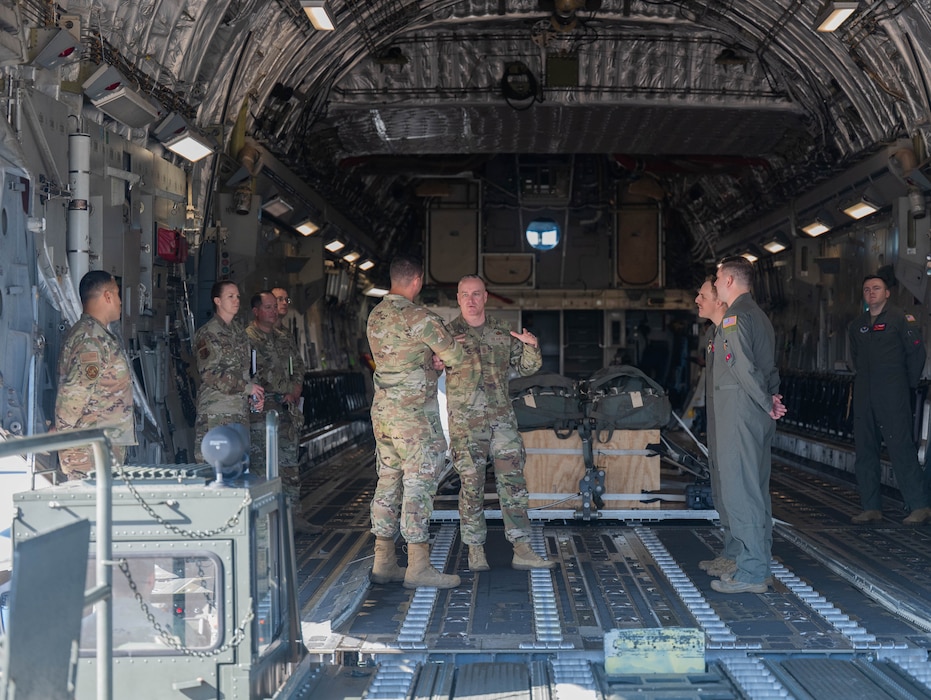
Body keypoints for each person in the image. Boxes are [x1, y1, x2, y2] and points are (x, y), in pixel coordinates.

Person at [441, 275, 556, 572]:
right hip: (466, 424)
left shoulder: (502, 332)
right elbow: (428, 370)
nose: (471, 300)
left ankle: (521, 547)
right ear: (457, 298)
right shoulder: (446, 334)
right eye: (465, 294)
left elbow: (527, 367)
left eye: (476, 294)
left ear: (485, 297)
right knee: (471, 487)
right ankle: (475, 550)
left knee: (513, 484)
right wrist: (435, 361)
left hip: (501, 420)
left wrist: (532, 346)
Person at [367, 254, 466, 589]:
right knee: (418, 486)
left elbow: (400, 358)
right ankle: (418, 567)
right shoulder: (419, 316)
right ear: (417, 280)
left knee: (387, 483)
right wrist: (440, 359)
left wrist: (428, 362)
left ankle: (383, 562)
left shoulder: (376, 316)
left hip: (383, 414)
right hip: (413, 419)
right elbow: (455, 355)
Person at [709, 256, 786, 594]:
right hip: (754, 412)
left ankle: (753, 571)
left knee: (741, 492)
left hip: (741, 411)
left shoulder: (735, 317)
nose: (713, 284)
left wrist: (766, 400)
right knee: (755, 490)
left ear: (728, 280)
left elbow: (742, 366)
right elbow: (767, 368)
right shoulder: (759, 315)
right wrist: (770, 397)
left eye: (716, 277)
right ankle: (753, 563)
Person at [847, 274, 929, 524]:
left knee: (900, 447)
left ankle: (920, 505)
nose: (871, 292)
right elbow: (855, 357)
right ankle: (871, 507)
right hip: (864, 394)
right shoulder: (857, 325)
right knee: (865, 449)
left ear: (887, 293)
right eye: (867, 289)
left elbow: (917, 352)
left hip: (893, 393)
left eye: (877, 288)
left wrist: (906, 385)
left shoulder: (900, 319)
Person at [246, 290, 319, 535]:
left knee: (289, 466)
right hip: (261, 412)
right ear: (256, 311)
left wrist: (296, 387)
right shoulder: (248, 338)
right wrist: (284, 389)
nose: (273, 310)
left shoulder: (282, 337)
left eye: (274, 306)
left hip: (286, 410)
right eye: (267, 306)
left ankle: (293, 516)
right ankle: (265, 521)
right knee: (261, 467)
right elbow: (253, 374)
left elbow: (297, 364)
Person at [55, 270, 135, 479]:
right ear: (107, 296)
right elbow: (75, 393)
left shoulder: (98, 335)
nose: (119, 301)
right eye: (117, 294)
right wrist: (62, 433)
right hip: (88, 450)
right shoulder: (90, 340)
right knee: (91, 508)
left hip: (100, 444)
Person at [693, 277, 739, 578]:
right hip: (717, 420)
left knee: (738, 492)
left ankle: (743, 558)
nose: (696, 299)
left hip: (735, 419)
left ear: (719, 300)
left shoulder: (736, 328)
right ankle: (731, 552)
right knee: (722, 491)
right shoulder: (714, 332)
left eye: (702, 295)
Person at [193, 280, 264, 462]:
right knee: (215, 472)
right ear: (217, 301)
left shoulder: (239, 333)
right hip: (217, 413)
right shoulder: (208, 333)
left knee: (238, 472)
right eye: (230, 296)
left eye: (238, 296)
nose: (236, 300)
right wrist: (247, 388)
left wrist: (253, 396)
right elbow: (209, 373)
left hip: (239, 412)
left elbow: (246, 371)